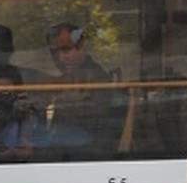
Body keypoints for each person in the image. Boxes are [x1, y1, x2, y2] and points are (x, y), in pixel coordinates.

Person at [41, 22, 127, 158]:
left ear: (82, 48)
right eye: (54, 52)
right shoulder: (70, 78)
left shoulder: (94, 79)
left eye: (66, 50)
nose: (60, 58)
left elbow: (96, 128)